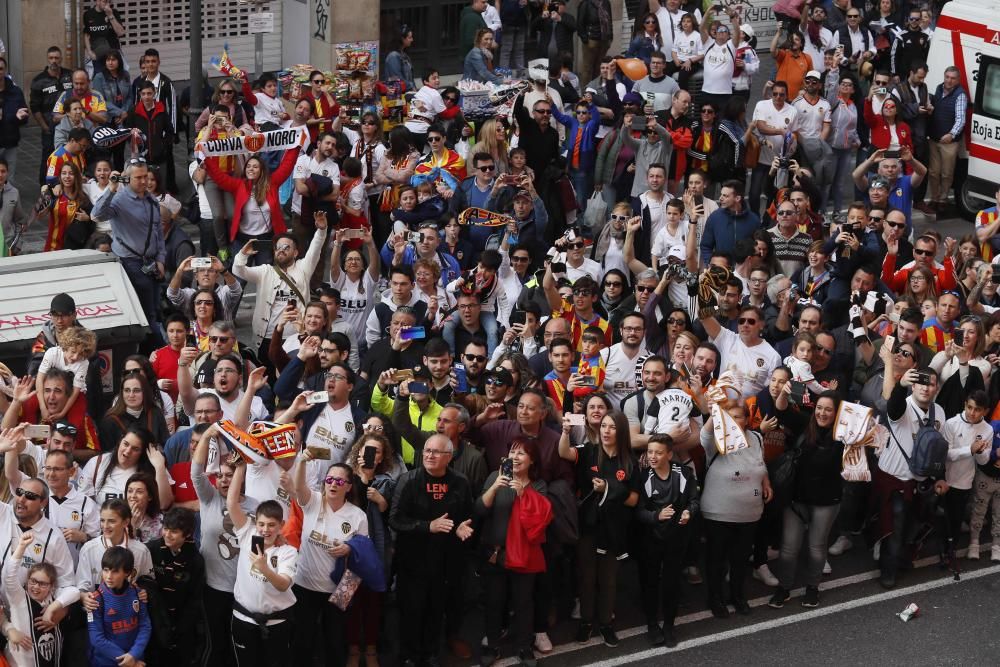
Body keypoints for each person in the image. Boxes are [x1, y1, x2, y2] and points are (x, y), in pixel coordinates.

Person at [389, 434, 475, 666]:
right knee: (411, 611)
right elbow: (395, 519)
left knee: (435, 611)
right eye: (427, 450)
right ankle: (409, 656)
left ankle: (430, 654)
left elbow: (468, 516)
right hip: (413, 561)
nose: (429, 455)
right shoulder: (409, 480)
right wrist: (428, 526)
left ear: (449, 457)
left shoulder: (460, 482)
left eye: (436, 452)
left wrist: (460, 528)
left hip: (445, 561)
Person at [558, 411, 638, 646]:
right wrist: (565, 432)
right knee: (586, 577)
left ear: (621, 431)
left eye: (612, 427)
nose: (606, 431)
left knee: (609, 579)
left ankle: (605, 623)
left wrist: (609, 489)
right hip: (588, 526)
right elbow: (564, 452)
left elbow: (634, 499)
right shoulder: (589, 451)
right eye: (604, 426)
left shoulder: (629, 461)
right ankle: (586, 622)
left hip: (614, 529)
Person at [476, 437, 552, 665]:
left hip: (524, 555)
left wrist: (523, 494)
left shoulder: (538, 485)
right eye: (512, 452)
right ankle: (492, 646)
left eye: (521, 454)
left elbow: (541, 520)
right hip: (495, 553)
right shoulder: (494, 477)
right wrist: (494, 487)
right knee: (493, 601)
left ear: (532, 461)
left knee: (523, 602)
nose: (515, 457)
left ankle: (523, 646)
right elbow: (479, 510)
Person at [768, 391, 845, 609]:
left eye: (828, 409)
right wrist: (784, 392)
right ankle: (784, 588)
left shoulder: (844, 433)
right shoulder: (805, 422)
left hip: (827, 500)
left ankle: (812, 587)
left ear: (836, 412)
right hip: (796, 499)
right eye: (819, 408)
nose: (822, 413)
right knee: (789, 548)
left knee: (816, 547)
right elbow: (781, 409)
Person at [289, 455, 368, 667]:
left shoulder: (358, 516)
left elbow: (363, 558)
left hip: (340, 588)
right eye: (330, 479)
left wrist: (350, 548)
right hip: (304, 585)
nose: (333, 484)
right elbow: (298, 487)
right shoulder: (312, 501)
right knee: (303, 639)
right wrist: (303, 462)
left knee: (335, 641)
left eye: (340, 481)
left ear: (349, 487)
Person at [226, 461, 298, 666]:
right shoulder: (248, 534)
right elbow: (232, 503)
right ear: (255, 523)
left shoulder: (288, 552)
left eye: (272, 525)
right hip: (243, 619)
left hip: (277, 623)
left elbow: (283, 584)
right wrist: (241, 468)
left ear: (281, 526)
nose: (266, 530)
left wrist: (264, 567)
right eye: (262, 524)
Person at [232, 213, 328, 365]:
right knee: (268, 378)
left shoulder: (303, 268)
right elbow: (238, 271)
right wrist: (243, 254)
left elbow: (316, 248)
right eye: (278, 247)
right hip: (267, 338)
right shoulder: (265, 271)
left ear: (295, 253)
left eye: (286, 247)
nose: (281, 250)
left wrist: (321, 230)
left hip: (295, 337)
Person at [91, 158, 165, 343]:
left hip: (152, 263)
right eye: (138, 177)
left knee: (156, 308)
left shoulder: (151, 200)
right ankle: (158, 348)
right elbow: (96, 215)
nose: (143, 181)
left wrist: (161, 259)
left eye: (145, 177)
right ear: (128, 178)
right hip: (131, 262)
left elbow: (158, 232)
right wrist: (111, 188)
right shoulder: (119, 200)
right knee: (148, 313)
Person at [635, 434, 699, 647]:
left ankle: (669, 626)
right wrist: (656, 516)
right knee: (650, 583)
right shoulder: (642, 477)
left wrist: (688, 512)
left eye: (658, 452)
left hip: (676, 538)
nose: (653, 456)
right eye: (650, 451)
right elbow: (638, 512)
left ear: (670, 454)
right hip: (650, 539)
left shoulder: (684, 473)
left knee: (671, 583)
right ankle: (652, 625)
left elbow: (693, 500)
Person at [2, 534, 64, 667]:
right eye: (33, 581)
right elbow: (9, 577)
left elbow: (74, 592)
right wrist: (22, 546)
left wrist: (53, 608)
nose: (36, 587)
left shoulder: (55, 599)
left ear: (51, 587)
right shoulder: (19, 598)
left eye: (42, 584)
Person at [86, 546, 151, 667]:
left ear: (127, 572)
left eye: (115, 571)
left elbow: (145, 627)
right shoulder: (95, 599)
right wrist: (128, 661)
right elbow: (96, 638)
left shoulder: (138, 594)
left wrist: (133, 655)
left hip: (135, 657)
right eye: (105, 570)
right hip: (105, 662)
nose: (109, 576)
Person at [925, 66, 967, 214]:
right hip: (934, 139)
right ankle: (934, 198)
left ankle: (943, 199)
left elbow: (961, 119)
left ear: (958, 80)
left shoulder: (960, 95)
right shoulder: (937, 89)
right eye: (947, 77)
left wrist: (951, 134)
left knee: (947, 173)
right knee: (933, 172)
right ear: (944, 76)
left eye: (953, 78)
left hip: (950, 142)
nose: (949, 80)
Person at [30, 46, 74, 184]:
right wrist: (44, 127)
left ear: (61, 58)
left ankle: (68, 183)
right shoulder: (39, 80)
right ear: (47, 59)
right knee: (49, 158)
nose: (54, 61)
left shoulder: (70, 75)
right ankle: (45, 187)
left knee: (69, 156)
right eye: (51, 58)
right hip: (50, 127)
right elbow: (35, 107)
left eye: (56, 58)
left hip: (69, 125)